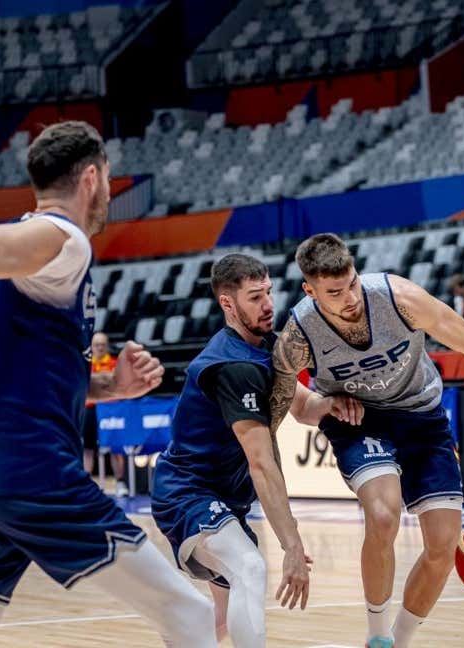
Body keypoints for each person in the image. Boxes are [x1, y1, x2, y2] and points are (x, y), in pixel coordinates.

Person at [0, 120, 214, 647]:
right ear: (93, 178)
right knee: (189, 612)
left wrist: (107, 389)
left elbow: (28, 367)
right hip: (38, 477)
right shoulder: (63, 238)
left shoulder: (29, 247)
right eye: (111, 179)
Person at [269, 234, 464, 648]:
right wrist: (326, 401)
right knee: (383, 516)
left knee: (443, 544)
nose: (349, 298)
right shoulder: (298, 335)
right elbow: (291, 403)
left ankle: (397, 641)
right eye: (334, 292)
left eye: (352, 284)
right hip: (361, 421)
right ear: (310, 291)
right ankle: (378, 637)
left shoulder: (399, 299)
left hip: (422, 417)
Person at [151, 253, 364, 647]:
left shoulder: (267, 347)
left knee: (218, 620)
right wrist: (293, 546)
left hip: (222, 499)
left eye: (268, 292)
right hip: (187, 493)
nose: (268, 304)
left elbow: (301, 406)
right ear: (227, 304)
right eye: (254, 297)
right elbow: (262, 464)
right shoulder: (233, 366)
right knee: (249, 568)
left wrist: (331, 403)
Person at [81, 332, 121, 486]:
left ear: (107, 346)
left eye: (102, 344)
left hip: (110, 410)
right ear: (91, 346)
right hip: (90, 411)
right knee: (87, 448)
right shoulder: (86, 364)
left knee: (115, 446)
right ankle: (86, 484)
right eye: (96, 345)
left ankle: (120, 482)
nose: (100, 348)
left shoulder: (115, 364)